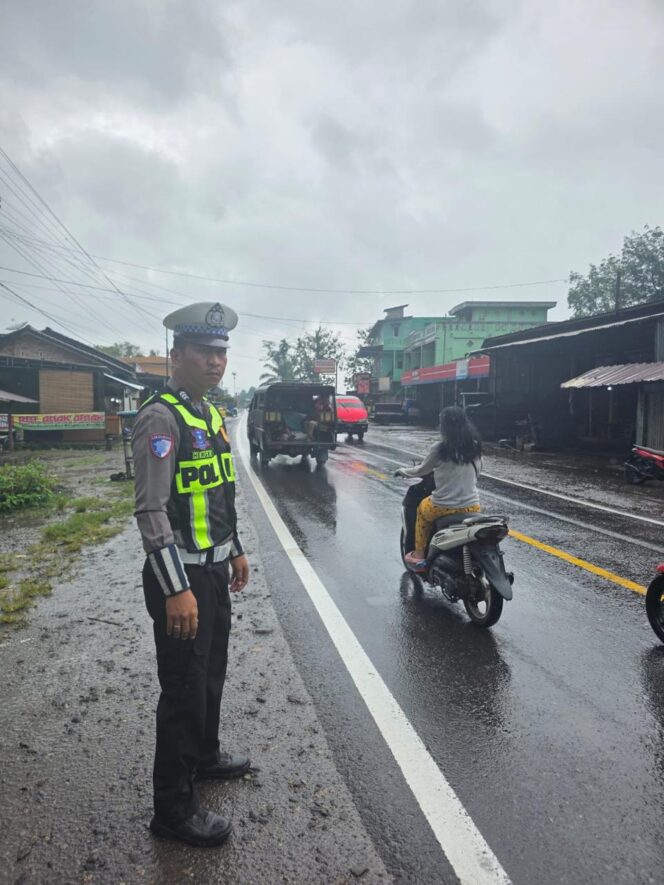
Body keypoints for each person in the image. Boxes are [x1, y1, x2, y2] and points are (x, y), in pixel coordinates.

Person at [132, 301, 251, 847]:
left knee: (210, 672)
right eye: (204, 351)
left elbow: (218, 491)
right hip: (179, 577)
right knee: (182, 689)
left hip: (214, 569)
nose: (215, 361)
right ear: (174, 356)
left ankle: (203, 756)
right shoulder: (162, 417)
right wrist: (176, 586)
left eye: (221, 352)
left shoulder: (212, 415)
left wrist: (236, 548)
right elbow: (152, 511)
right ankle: (172, 810)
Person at [395, 406, 482, 571]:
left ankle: (420, 555)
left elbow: (422, 470)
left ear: (444, 426)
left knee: (421, 510)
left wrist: (404, 471)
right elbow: (478, 469)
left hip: (442, 506)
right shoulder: (475, 446)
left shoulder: (440, 448)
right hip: (472, 505)